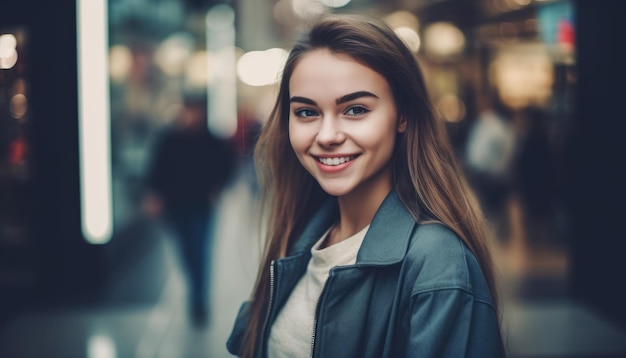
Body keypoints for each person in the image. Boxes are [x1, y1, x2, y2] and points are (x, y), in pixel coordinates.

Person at [227, 14, 504, 357]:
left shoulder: (437, 264)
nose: (327, 136)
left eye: (356, 110)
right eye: (307, 112)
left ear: (402, 115)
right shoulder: (301, 235)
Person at [146, 95, 234, 327]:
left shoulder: (211, 141)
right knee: (186, 251)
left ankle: (198, 301)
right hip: (176, 206)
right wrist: (155, 195)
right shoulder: (170, 139)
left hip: (202, 206)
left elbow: (226, 165)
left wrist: (218, 187)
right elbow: (157, 168)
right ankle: (196, 289)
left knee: (200, 251)